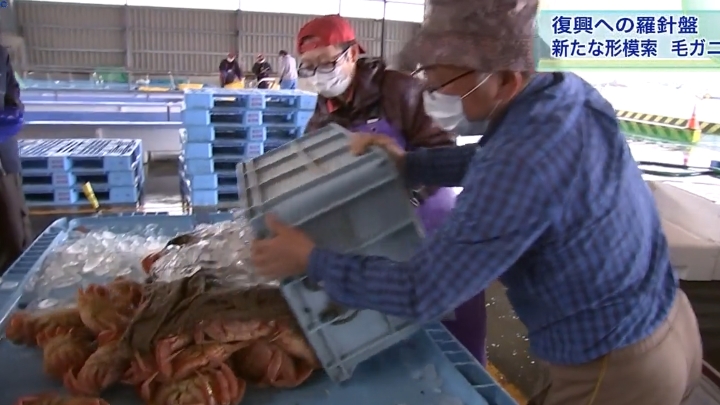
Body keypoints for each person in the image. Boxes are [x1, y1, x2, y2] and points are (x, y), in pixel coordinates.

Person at [249, 1, 703, 404]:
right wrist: (410, 165)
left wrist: (311, 259)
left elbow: (422, 291)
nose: (435, 94)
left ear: (505, 78)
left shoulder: (519, 165)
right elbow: (489, 157)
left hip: (616, 368)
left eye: (447, 84)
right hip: (669, 321)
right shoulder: (564, 94)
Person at [281, 13, 490, 366]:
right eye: (309, 67)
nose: (318, 74)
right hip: (382, 239)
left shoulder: (400, 90)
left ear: (351, 54)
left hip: (436, 229)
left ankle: (473, 382)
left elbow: (443, 151)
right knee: (403, 333)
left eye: (326, 63)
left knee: (457, 328)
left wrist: (408, 193)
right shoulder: (321, 117)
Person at [0, 45, 32, 275]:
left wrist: (13, 111)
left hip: (4, 159)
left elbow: (12, 90)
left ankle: (13, 286)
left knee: (15, 232)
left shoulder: (0, 54)